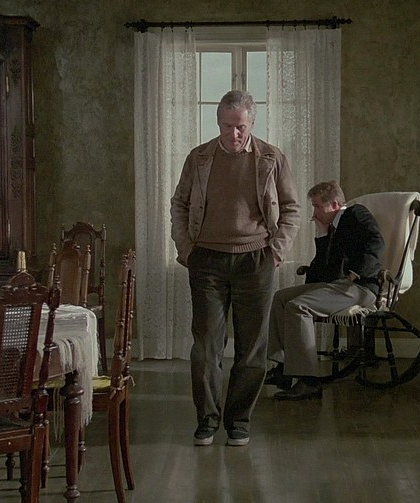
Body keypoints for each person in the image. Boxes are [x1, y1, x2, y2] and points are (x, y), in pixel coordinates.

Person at [171, 90, 300, 446]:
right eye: (228, 126)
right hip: (206, 260)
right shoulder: (198, 158)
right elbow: (179, 204)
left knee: (252, 347)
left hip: (256, 260)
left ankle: (239, 421)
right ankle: (207, 420)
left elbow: (291, 209)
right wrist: (186, 249)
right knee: (206, 346)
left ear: (252, 123)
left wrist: (276, 252)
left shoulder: (271, 158)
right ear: (218, 123)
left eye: (241, 126)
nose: (234, 134)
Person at [265, 180, 385, 400]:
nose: (314, 213)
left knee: (298, 306)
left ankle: (308, 381)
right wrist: (322, 235)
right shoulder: (333, 229)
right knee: (281, 298)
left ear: (335, 204)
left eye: (318, 206)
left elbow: (376, 241)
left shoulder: (355, 213)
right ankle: (283, 367)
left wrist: (356, 273)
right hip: (337, 286)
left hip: (359, 288)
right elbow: (324, 272)